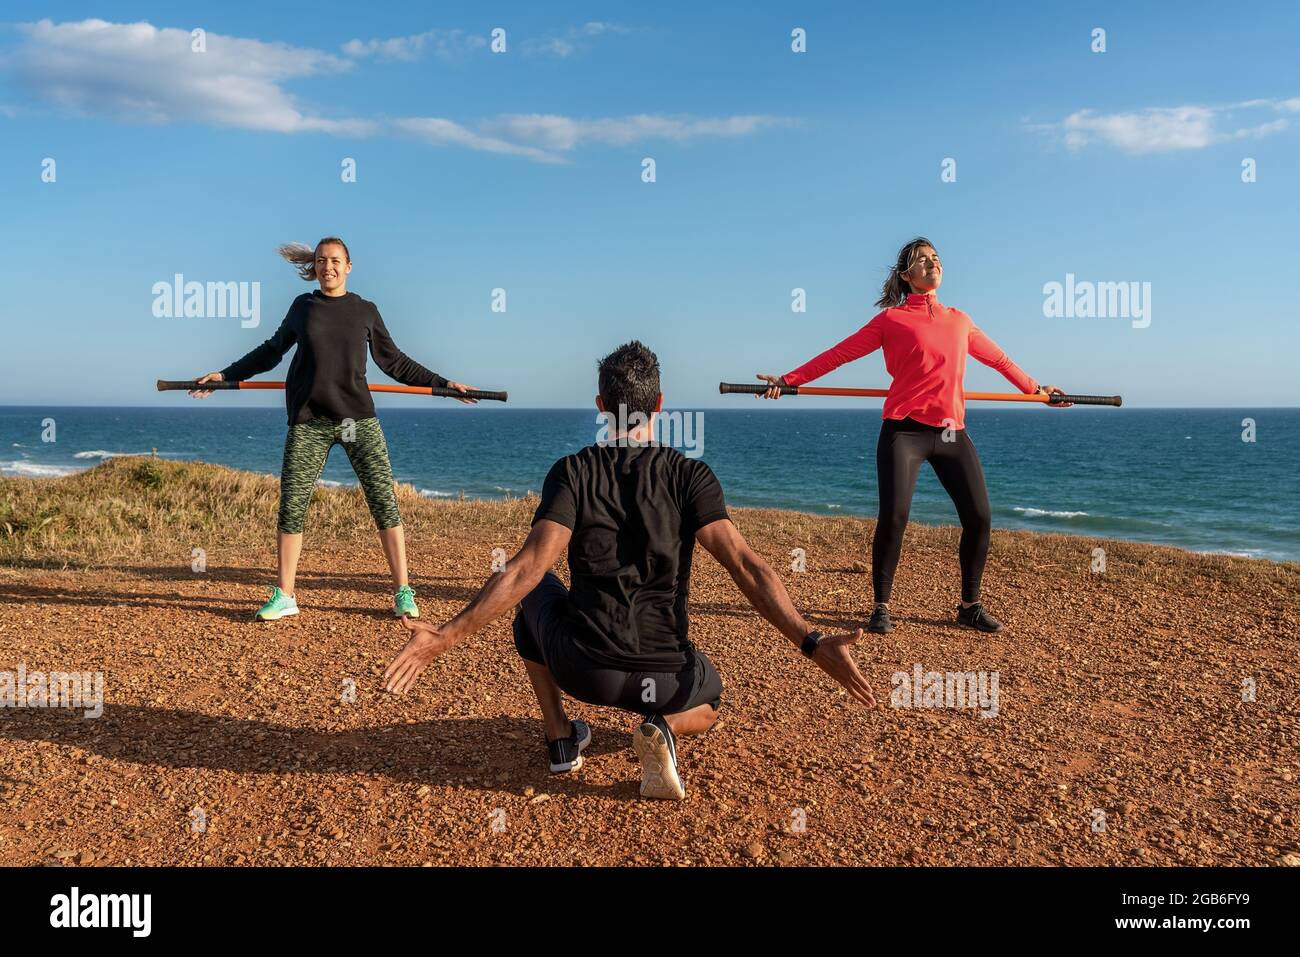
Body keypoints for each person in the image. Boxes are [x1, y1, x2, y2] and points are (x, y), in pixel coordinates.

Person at [384, 341, 875, 800]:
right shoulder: (690, 476)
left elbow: (525, 569)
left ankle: (560, 739)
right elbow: (748, 566)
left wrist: (443, 637)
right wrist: (810, 642)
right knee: (711, 702)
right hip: (666, 680)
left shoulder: (573, 472)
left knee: (536, 590)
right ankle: (664, 726)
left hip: (586, 670)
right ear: (659, 403)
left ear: (601, 404)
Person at [758, 237, 1070, 635]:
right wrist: (788, 381)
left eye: (935, 258)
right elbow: (839, 354)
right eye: (921, 260)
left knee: (979, 516)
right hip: (904, 431)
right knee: (895, 516)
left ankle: (969, 606)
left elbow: (1000, 360)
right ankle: (881, 607)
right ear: (907, 276)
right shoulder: (890, 321)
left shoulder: (960, 320)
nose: (931, 263)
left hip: (950, 432)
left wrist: (1039, 392)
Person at [189, 237, 478, 621]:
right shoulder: (303, 308)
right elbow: (271, 351)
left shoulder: (365, 311)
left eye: (336, 261)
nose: (329, 267)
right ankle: (286, 595)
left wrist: (444, 385)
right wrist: (226, 375)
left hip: (356, 420)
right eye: (322, 261)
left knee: (383, 503)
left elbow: (396, 363)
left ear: (349, 266)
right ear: (314, 266)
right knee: (292, 507)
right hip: (310, 422)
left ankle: (402, 592)